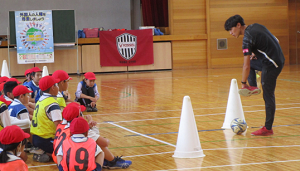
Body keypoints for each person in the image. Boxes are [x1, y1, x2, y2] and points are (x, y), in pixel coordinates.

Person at [224, 15, 285, 136]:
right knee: (252, 62)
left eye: (231, 29)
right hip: (277, 59)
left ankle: (268, 128)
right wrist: (258, 55)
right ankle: (253, 87)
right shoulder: (256, 26)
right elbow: (276, 40)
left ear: (238, 25)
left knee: (268, 95)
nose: (231, 33)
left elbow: (245, 66)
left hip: (272, 65)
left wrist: (242, 83)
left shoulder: (247, 39)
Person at [30, 75, 62, 162]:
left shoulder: (41, 100)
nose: (58, 87)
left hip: (36, 138)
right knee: (68, 149)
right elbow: (59, 126)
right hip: (46, 140)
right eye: (56, 85)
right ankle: (45, 152)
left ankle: (42, 151)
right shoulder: (52, 104)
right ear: (53, 88)